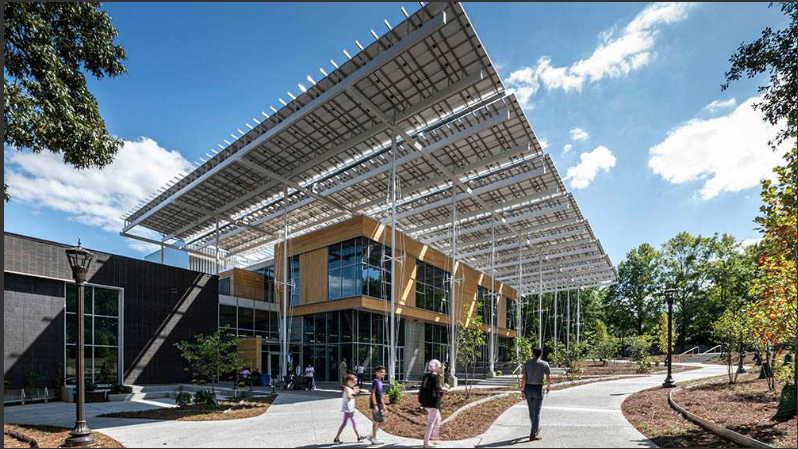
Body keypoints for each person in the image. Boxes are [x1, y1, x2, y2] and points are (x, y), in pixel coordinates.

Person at [520, 347, 551, 441]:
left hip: (528, 388)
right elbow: (548, 377)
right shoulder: (544, 364)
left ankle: (535, 428)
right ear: (540, 354)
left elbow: (524, 378)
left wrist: (522, 390)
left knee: (531, 411)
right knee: (536, 412)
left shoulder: (526, 363)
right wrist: (548, 386)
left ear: (532, 353)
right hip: (538, 388)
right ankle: (533, 434)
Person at [419, 359, 445, 448]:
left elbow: (422, 389)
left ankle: (434, 437)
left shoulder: (426, 375)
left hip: (426, 401)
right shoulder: (434, 376)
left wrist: (421, 401)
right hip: (432, 403)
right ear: (436, 367)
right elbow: (436, 389)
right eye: (439, 367)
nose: (440, 369)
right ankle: (426, 442)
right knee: (431, 422)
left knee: (438, 419)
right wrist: (442, 391)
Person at [334, 374, 366, 445]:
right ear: (348, 381)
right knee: (345, 424)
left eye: (356, 382)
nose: (355, 383)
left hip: (350, 410)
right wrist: (355, 393)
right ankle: (336, 438)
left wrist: (355, 392)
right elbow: (349, 397)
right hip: (348, 410)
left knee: (352, 424)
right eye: (354, 382)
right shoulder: (347, 389)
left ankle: (358, 436)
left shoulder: (349, 388)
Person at [368, 366, 387, 445]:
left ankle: (373, 436)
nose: (383, 373)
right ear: (376, 373)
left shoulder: (380, 381)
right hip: (376, 405)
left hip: (379, 404)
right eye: (381, 372)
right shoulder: (375, 381)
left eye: (384, 372)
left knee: (376, 421)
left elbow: (380, 395)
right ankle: (373, 437)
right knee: (381, 421)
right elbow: (372, 393)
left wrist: (384, 405)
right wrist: (375, 405)